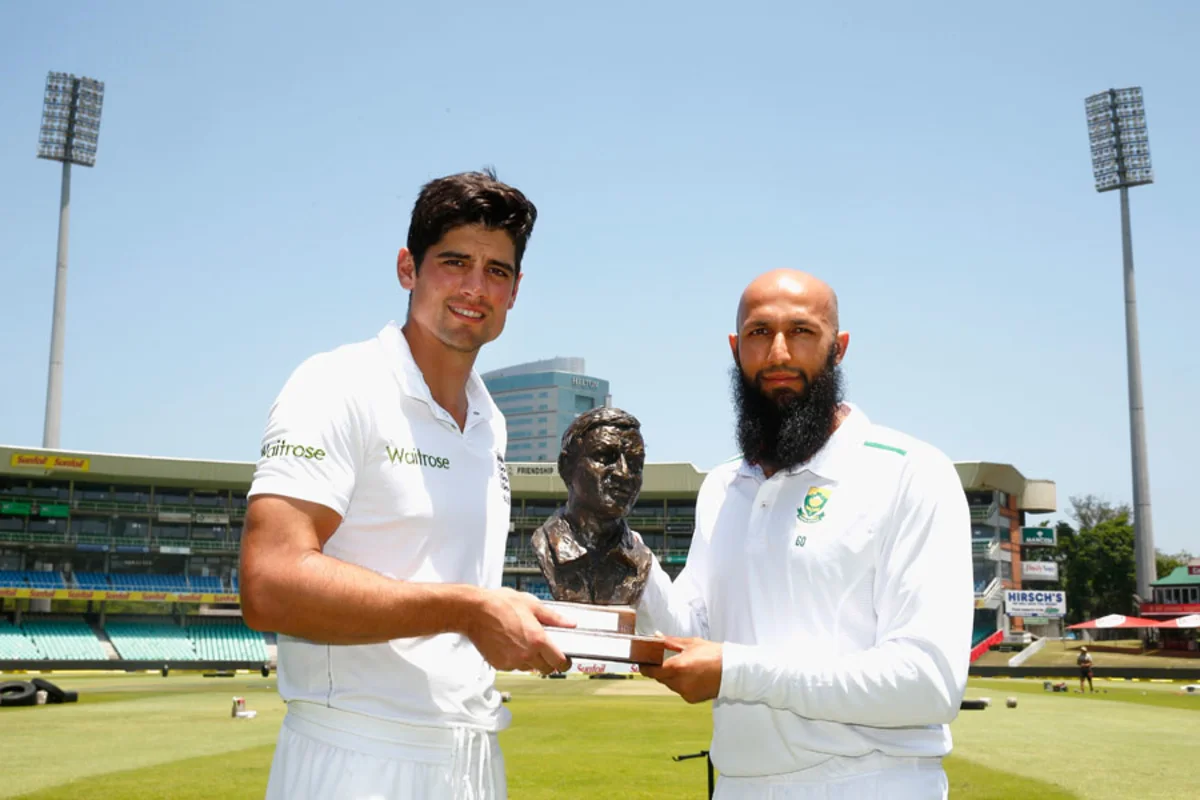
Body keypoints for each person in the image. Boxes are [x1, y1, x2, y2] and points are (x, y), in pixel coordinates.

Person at [239, 169, 574, 800]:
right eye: (453, 262)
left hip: (473, 752)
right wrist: (468, 609)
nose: (475, 287)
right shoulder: (337, 384)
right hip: (358, 755)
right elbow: (269, 582)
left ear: (515, 289)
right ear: (407, 268)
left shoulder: (488, 421)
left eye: (496, 270)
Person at [637, 269, 974, 799]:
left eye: (801, 332)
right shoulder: (724, 485)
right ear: (735, 348)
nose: (777, 355)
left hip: (870, 783)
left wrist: (737, 670)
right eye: (758, 333)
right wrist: (625, 552)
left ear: (838, 348)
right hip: (738, 784)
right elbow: (685, 631)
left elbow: (928, 683)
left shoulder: (911, 471)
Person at [530, 407, 654, 605]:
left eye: (635, 463)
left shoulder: (641, 560)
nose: (624, 473)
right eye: (605, 457)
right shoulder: (543, 545)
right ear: (566, 465)